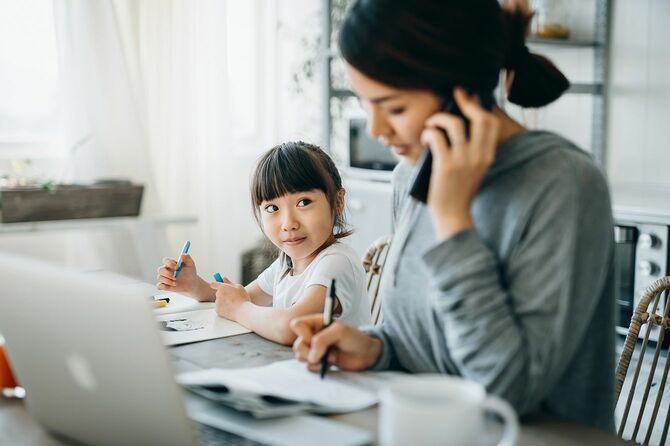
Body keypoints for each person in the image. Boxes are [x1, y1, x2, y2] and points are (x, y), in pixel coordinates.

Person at [290, 0, 615, 431]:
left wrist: (452, 220)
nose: (376, 129)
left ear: (463, 90)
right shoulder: (411, 174)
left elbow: (506, 391)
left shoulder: (564, 184)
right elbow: (423, 338)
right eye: (366, 103)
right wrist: (376, 347)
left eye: (396, 107)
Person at [157, 141, 371, 345]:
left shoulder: (337, 263)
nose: (288, 224)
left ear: (338, 201)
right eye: (272, 208)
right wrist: (195, 286)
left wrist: (240, 309)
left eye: (303, 202)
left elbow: (292, 327)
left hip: (339, 380)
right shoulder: (286, 264)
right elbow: (238, 298)